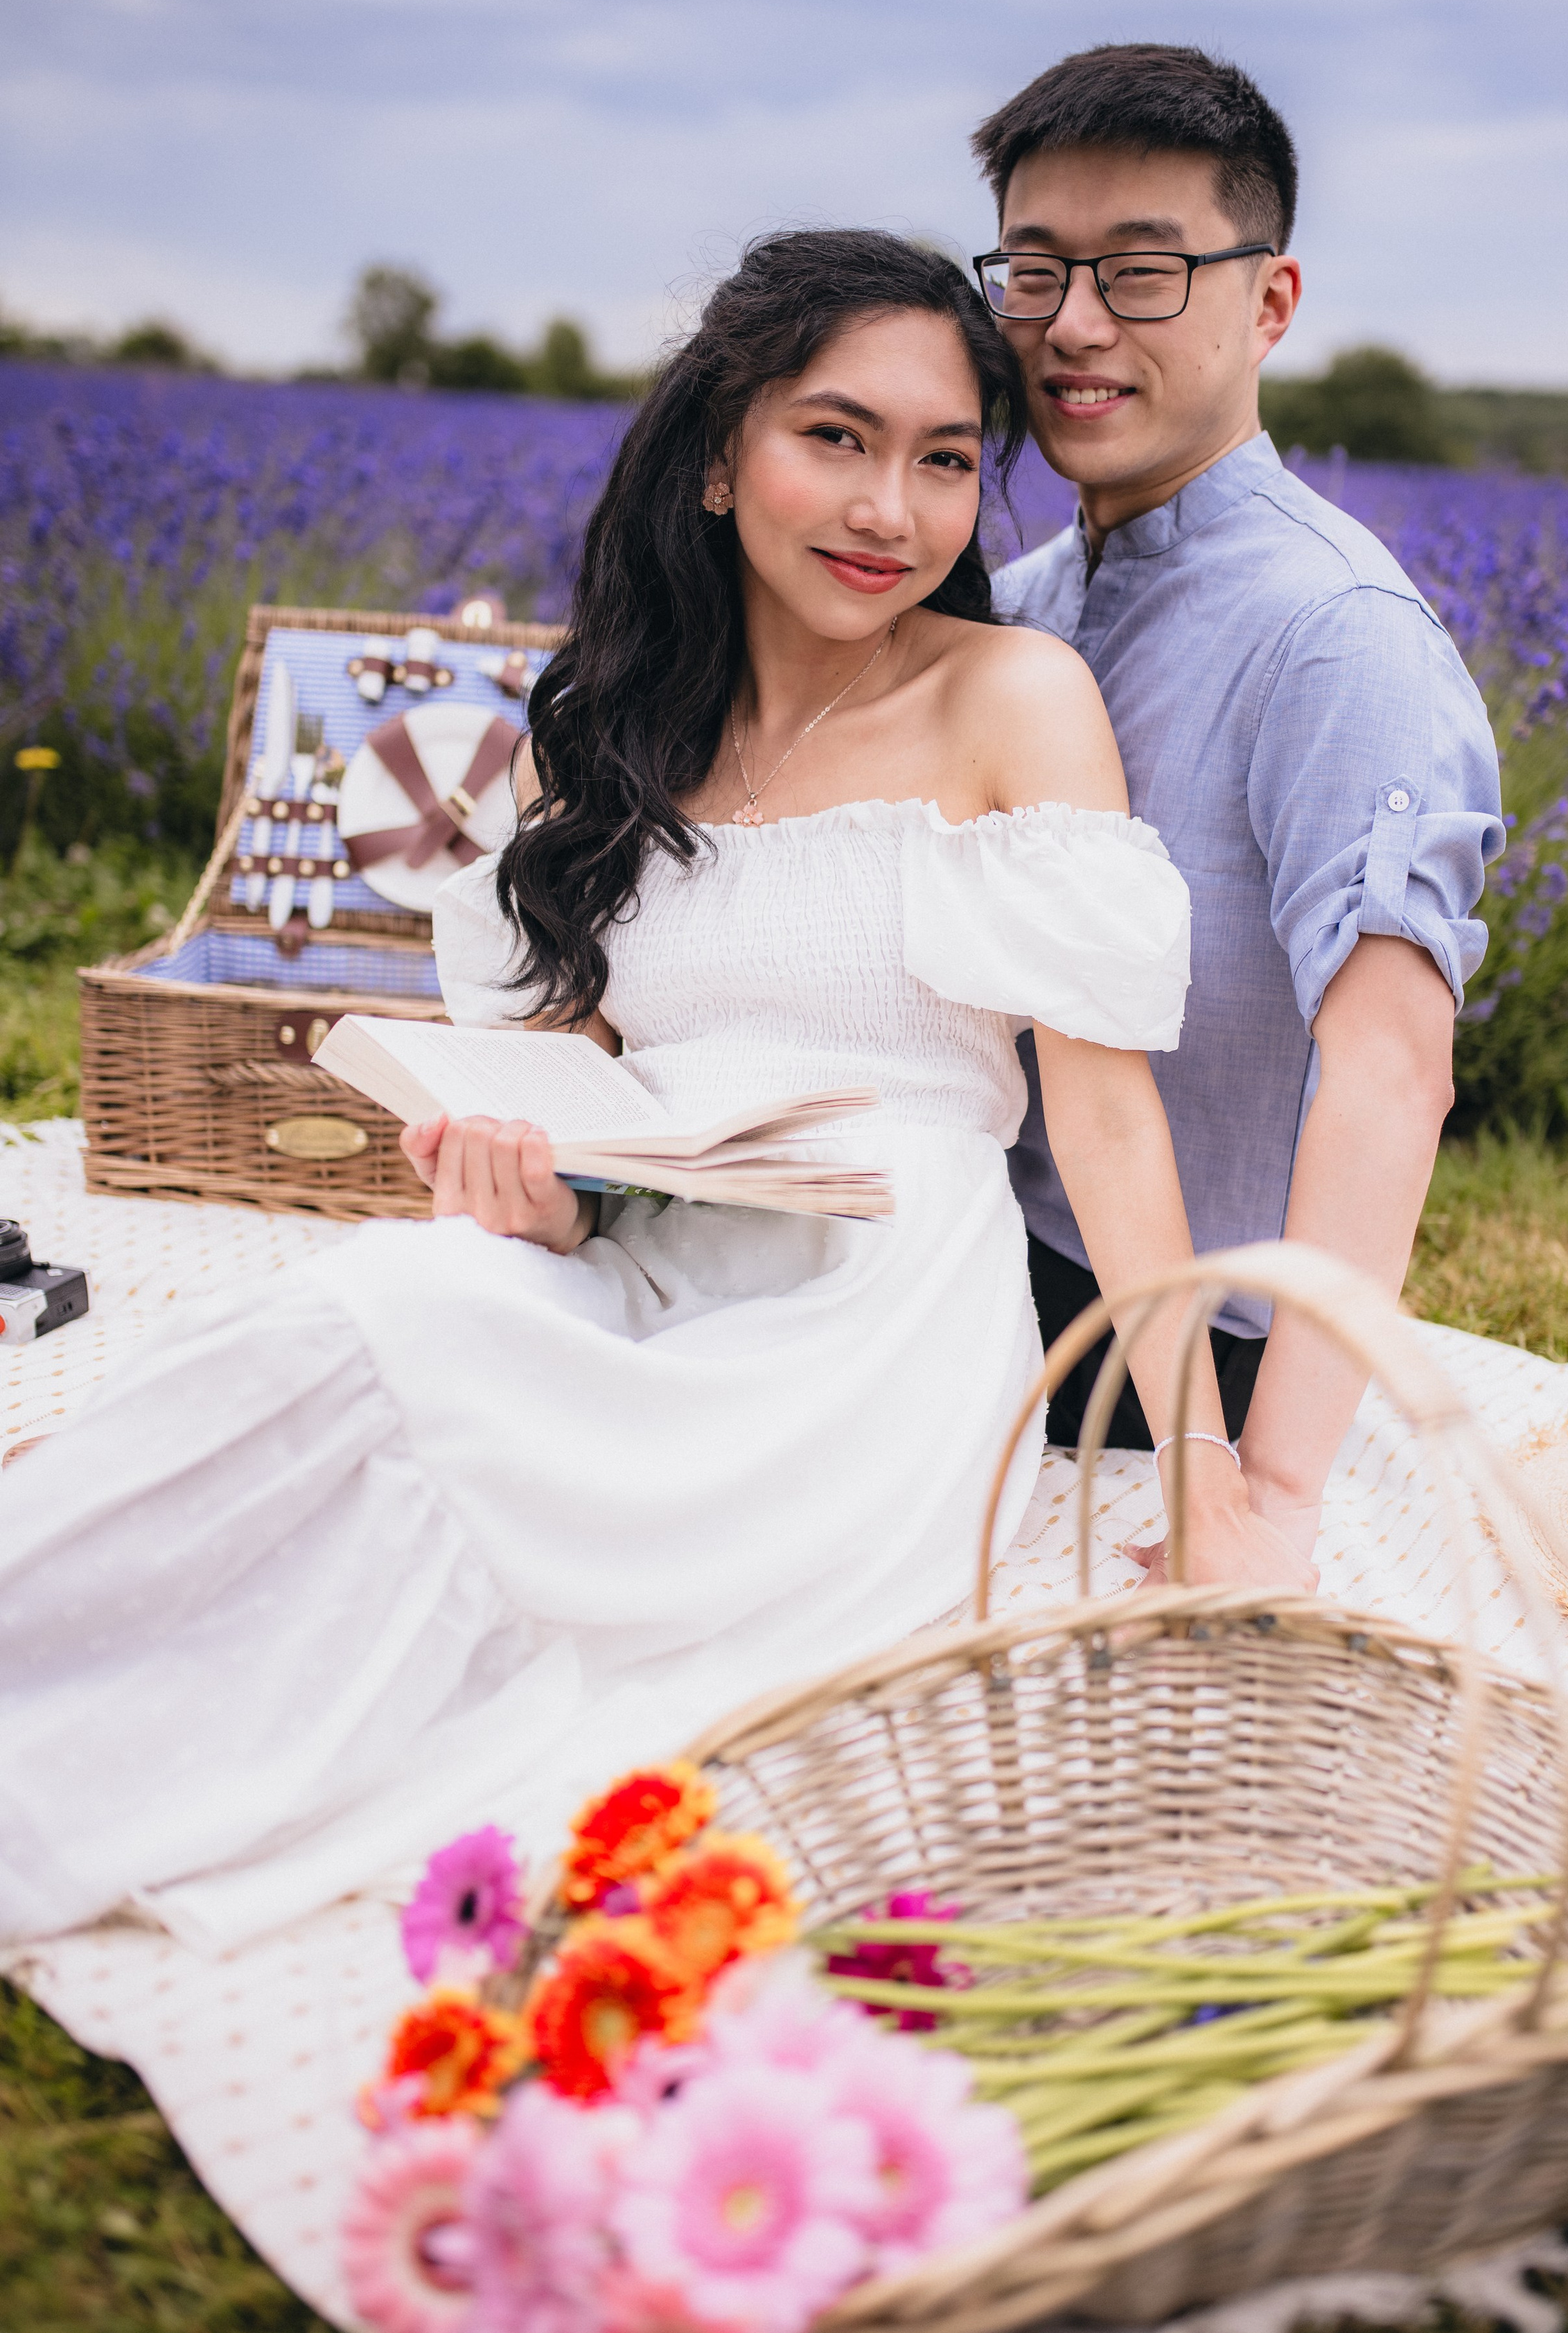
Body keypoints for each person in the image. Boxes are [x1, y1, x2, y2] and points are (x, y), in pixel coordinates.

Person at [0, 229, 1276, 1958]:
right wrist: (527, 1180)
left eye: (945, 459)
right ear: (714, 455)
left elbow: (1102, 1111)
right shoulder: (609, 727)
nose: (888, 509)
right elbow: (580, 1090)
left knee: (546, 1566)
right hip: (636, 1251)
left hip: (872, 1309)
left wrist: (1197, 1455)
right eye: (834, 437)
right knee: (344, 1321)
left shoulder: (1009, 700)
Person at [974, 44, 1504, 1583]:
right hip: (982, 1253)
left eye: (1141, 275)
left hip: (1170, 1358)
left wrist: (1267, 1495)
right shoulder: (1021, 602)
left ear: (1268, 300)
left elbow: (1390, 1074)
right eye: (1032, 271)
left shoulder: (1335, 635)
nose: (1071, 325)